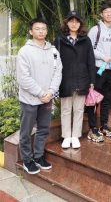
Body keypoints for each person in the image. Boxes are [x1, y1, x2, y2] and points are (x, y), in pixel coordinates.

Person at [17, 18, 62, 174]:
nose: (41, 31)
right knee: (26, 131)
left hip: (47, 98)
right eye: (37, 28)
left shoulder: (53, 51)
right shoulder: (25, 51)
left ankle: (38, 156)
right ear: (31, 31)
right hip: (30, 100)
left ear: (47, 31)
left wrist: (50, 92)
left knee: (43, 129)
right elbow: (24, 78)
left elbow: (58, 73)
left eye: (43, 28)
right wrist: (41, 93)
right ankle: (27, 160)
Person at [54, 11, 96, 148]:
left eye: (76, 21)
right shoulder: (60, 40)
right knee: (66, 109)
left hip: (82, 79)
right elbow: (54, 61)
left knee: (78, 110)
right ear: (67, 23)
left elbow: (91, 61)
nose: (74, 24)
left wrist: (92, 81)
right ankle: (66, 136)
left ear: (80, 24)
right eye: (71, 21)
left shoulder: (86, 40)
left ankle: (75, 135)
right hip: (65, 79)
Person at [87, 3, 111, 140]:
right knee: (94, 99)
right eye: (106, 12)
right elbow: (89, 49)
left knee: (107, 98)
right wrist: (103, 57)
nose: (108, 14)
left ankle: (104, 125)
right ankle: (93, 128)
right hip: (98, 69)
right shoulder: (96, 30)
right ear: (102, 14)